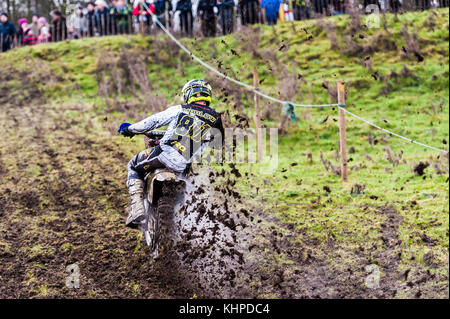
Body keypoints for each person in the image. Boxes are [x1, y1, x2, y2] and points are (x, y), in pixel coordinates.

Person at [118, 80, 224, 228]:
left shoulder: (181, 109)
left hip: (163, 155)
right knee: (188, 194)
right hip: (183, 166)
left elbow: (153, 121)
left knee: (133, 165)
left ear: (189, 93)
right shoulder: (216, 120)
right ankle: (186, 224)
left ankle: (137, 210)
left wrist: (130, 129)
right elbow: (217, 145)